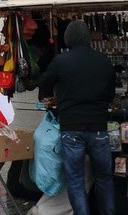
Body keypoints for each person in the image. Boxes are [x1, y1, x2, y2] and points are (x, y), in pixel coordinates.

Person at [39, 20, 115, 215]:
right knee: (104, 178)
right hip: (98, 127)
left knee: (75, 179)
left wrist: (53, 96)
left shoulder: (61, 61)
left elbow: (44, 84)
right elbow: (110, 95)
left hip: (71, 127)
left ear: (68, 38)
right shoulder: (103, 60)